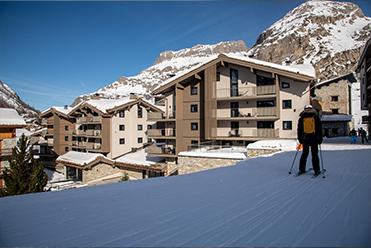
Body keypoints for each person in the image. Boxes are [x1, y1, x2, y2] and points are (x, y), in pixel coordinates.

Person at [297, 105, 322, 176]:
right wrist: (320, 138)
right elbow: (319, 129)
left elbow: (299, 129)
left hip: (305, 138)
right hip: (314, 138)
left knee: (304, 154)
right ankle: (316, 170)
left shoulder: (302, 118)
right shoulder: (316, 117)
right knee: (314, 154)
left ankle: (301, 169)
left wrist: (300, 139)